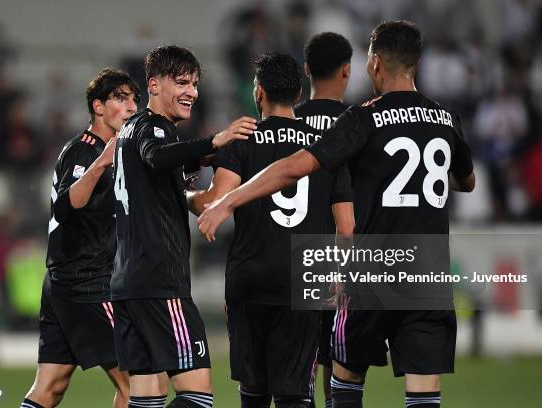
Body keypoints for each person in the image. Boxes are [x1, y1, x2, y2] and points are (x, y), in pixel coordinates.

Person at [198, 20, 475, 408]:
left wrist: (228, 200)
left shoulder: (363, 118)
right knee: (424, 395)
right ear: (417, 62)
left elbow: (295, 167)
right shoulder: (446, 119)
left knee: (345, 382)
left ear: (375, 63)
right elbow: (467, 181)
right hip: (426, 268)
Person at [189, 52, 353, 408]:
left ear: (258, 93)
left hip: (250, 276)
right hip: (305, 279)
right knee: (295, 392)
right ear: (298, 95)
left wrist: (184, 193)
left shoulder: (242, 141)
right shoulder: (324, 148)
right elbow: (347, 226)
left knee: (254, 390)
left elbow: (213, 202)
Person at [110, 45, 257, 408]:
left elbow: (181, 193)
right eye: (181, 83)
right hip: (161, 284)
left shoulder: (130, 131)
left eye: (194, 83)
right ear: (154, 85)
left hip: (129, 284)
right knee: (197, 397)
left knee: (146, 400)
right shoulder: (152, 129)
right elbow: (157, 156)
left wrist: (208, 164)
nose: (192, 91)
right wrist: (214, 141)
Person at [21, 68, 139, 408]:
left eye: (134, 99)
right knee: (140, 382)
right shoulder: (84, 150)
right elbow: (66, 207)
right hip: (88, 282)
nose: (131, 106)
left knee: (51, 386)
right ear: (98, 106)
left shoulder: (118, 153)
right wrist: (101, 163)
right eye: (121, 98)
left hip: (61, 282)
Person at [294, 32, 354, 408]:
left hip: (292, 261)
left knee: (301, 371)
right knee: (343, 374)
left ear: (306, 70)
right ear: (347, 71)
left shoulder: (288, 121)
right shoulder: (360, 123)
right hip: (342, 261)